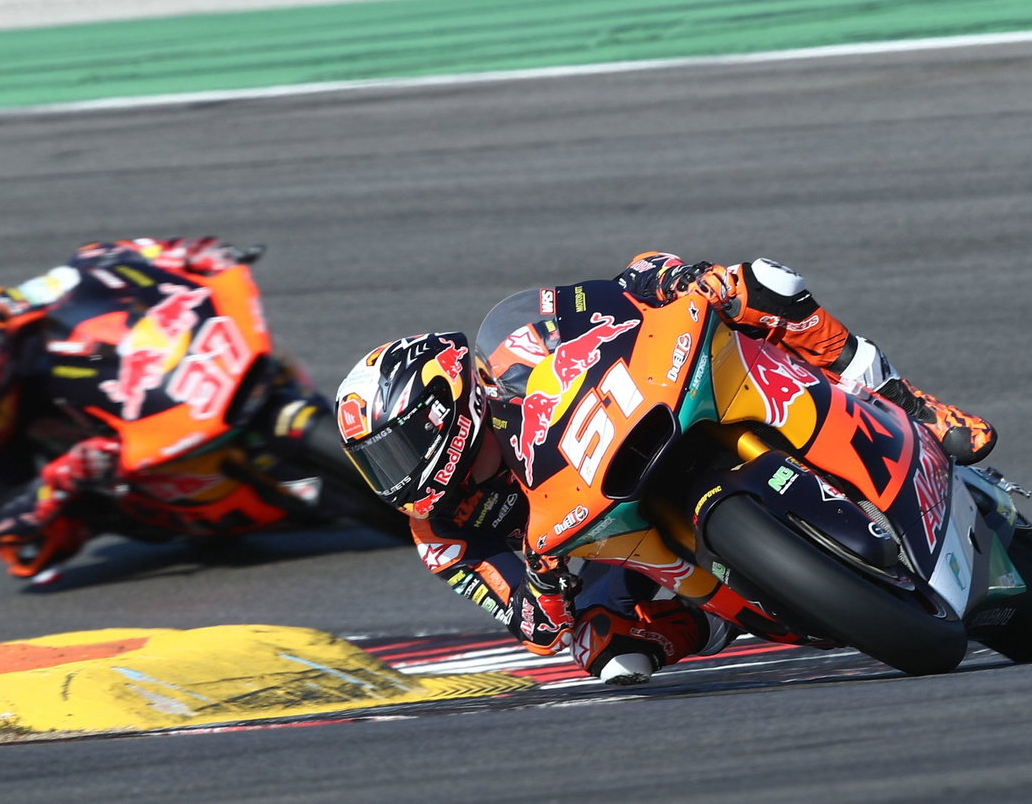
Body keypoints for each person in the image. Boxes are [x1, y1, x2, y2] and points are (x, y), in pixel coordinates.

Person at [333, 251, 995, 685]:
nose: (394, 477)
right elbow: (534, 628)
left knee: (758, 282)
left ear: (441, 407)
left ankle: (901, 401)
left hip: (645, 406)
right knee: (601, 650)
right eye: (374, 464)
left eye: (394, 450)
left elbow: (620, 293)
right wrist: (545, 580)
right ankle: (717, 615)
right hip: (600, 546)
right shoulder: (441, 534)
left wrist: (670, 282)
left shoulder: (512, 345)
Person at [0, 236, 291, 579]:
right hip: (13, 466)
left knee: (84, 336)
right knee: (29, 555)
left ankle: (177, 410)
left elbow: (89, 263)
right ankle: (132, 506)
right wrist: (62, 477)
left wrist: (182, 252)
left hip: (32, 390)